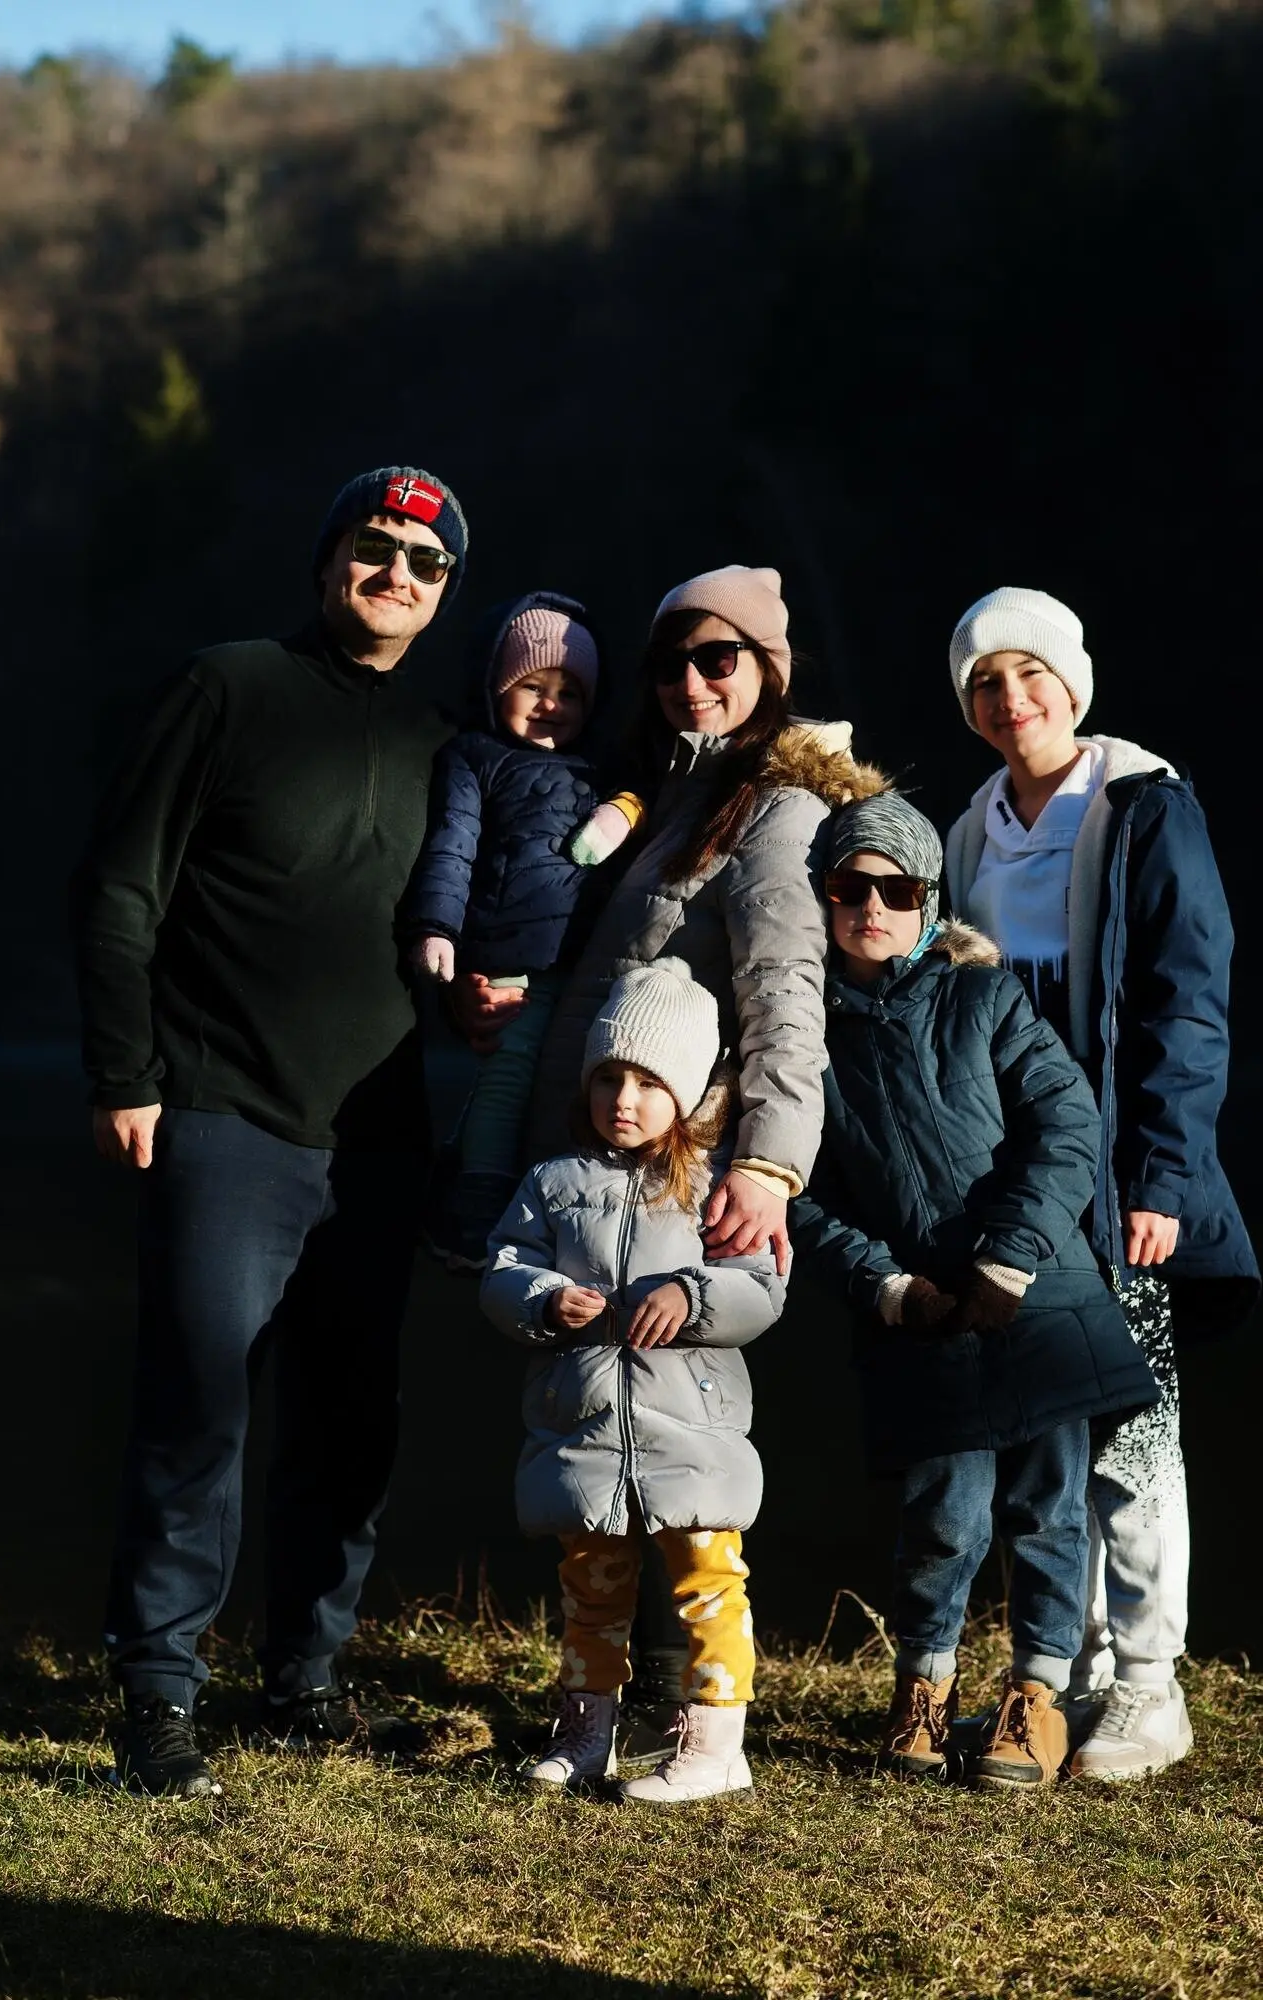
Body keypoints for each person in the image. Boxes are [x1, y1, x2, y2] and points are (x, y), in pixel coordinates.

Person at [72, 464, 467, 1797]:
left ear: (443, 594)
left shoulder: (443, 739)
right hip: (221, 1105)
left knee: (352, 1417)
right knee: (197, 1403)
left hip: (380, 1134)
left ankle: (304, 1682)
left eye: (425, 563)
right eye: (374, 547)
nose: (396, 574)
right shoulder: (226, 687)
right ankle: (157, 1693)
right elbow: (119, 886)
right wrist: (124, 1072)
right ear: (327, 558)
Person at [507, 563, 885, 1740]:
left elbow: (783, 993)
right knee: (604, 1419)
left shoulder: (777, 809)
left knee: (681, 1430)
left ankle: (695, 1716)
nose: (690, 680)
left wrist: (767, 1164)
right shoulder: (671, 790)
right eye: (671, 659)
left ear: (768, 669)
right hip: (604, 1158)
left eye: (717, 658)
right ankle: (613, 1706)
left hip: (689, 1168)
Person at [944, 586, 1259, 1781]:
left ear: (1070, 684)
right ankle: (1063, 1673)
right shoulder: (969, 832)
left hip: (1119, 1178)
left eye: (1028, 673)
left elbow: (1188, 999)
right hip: (1019, 1183)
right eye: (983, 682)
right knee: (1044, 1436)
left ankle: (1146, 1685)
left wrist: (1161, 1177)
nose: (1009, 699)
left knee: (1134, 1431)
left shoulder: (1141, 806)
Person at [791, 795, 1159, 1790]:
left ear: (927, 899)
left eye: (896, 888)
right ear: (822, 895)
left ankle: (1035, 1698)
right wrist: (885, 1285)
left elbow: (1066, 1123)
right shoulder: (800, 1034)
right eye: (849, 886)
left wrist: (1007, 1259)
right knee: (942, 1515)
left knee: (1047, 1510)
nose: (871, 906)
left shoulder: (983, 997)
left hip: (1037, 1297)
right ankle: (922, 1689)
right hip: (919, 1315)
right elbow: (797, 1195)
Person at [480, 959, 786, 1802]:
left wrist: (690, 1294)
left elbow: (760, 1286)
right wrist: (544, 1298)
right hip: (584, 1432)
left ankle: (716, 1745)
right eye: (608, 1077)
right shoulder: (552, 1184)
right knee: (590, 1589)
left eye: (649, 1083)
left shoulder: (718, 1184)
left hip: (691, 1433)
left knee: (707, 1582)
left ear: (685, 1093)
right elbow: (503, 1270)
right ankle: (586, 1737)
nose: (623, 1099)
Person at [401, 593, 641, 1270]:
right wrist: (437, 929)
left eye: (570, 691)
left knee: (557, 1083)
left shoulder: (601, 767)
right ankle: (477, 1196)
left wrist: (621, 811)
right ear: (497, 687)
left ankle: (517, 1205)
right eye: (534, 686)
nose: (551, 704)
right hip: (507, 953)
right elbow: (452, 847)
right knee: (507, 1073)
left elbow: (644, 801)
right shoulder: (476, 757)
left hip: (583, 960)